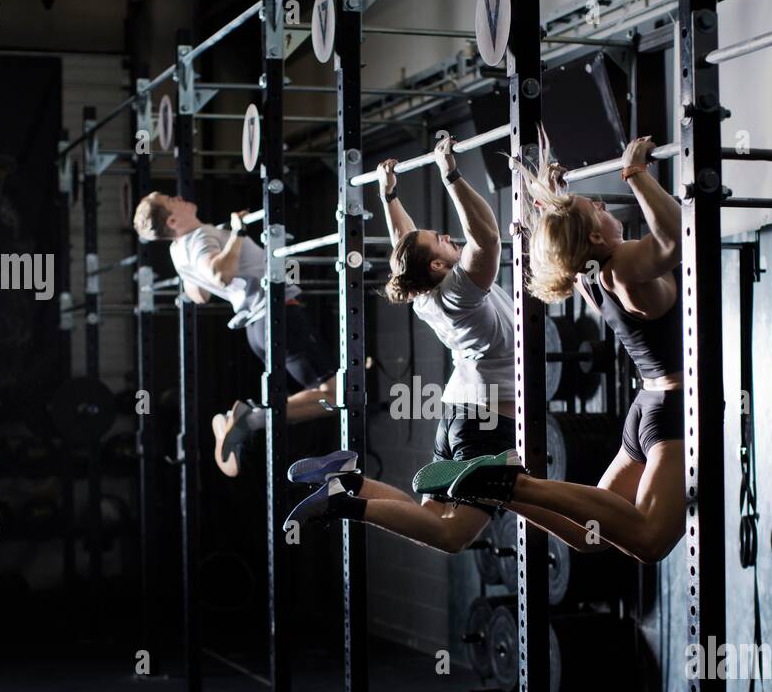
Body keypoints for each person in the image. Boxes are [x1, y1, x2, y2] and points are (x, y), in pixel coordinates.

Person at [285, 137, 594, 554]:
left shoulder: (423, 294)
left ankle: (349, 480)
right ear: (436, 265)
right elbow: (484, 236)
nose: (449, 237)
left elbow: (405, 239)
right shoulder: (458, 293)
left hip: (461, 419)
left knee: (432, 517)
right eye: (441, 240)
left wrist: (388, 194)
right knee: (452, 535)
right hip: (484, 428)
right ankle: (343, 503)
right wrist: (450, 172)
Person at [429, 134, 687, 564]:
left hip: (648, 410)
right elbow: (674, 239)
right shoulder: (619, 267)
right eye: (597, 210)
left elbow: (570, 240)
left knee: (591, 536)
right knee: (649, 540)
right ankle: (516, 484)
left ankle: (502, 492)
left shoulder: (588, 275)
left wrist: (558, 199)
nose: (603, 205)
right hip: (673, 411)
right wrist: (636, 174)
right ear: (595, 238)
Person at [132, 192, 337, 477]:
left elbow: (200, 294)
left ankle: (248, 419)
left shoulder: (178, 250)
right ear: (173, 219)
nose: (178, 196)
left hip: (259, 326)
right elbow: (219, 276)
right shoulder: (201, 238)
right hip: (276, 316)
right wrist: (237, 232)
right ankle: (251, 421)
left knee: (330, 395)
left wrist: (221, 253)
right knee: (338, 395)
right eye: (170, 199)